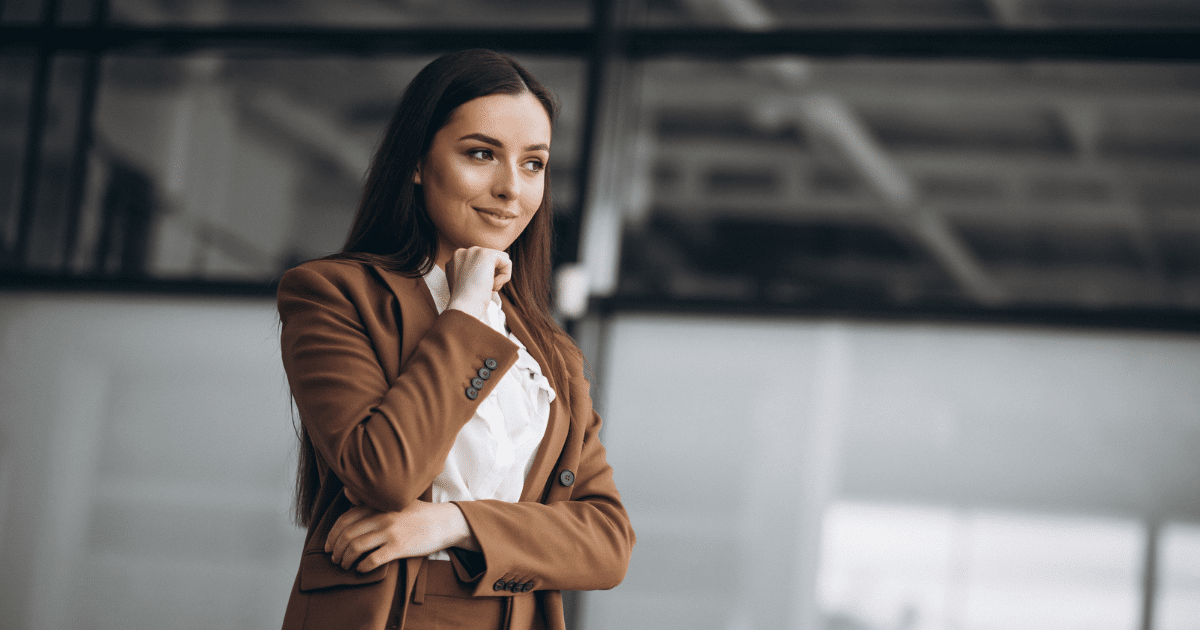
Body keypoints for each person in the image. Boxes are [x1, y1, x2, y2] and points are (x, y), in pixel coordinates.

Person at [275, 49, 634, 630]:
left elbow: (608, 542)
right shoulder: (333, 295)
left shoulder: (550, 353)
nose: (510, 189)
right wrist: (466, 307)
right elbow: (383, 471)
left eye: (533, 164)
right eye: (481, 154)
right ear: (417, 162)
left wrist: (454, 523)